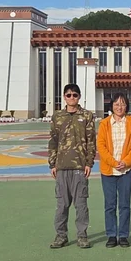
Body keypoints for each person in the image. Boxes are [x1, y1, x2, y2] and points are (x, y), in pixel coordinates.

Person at [48, 83, 96, 249]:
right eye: (68, 95)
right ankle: (61, 235)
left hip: (79, 167)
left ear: (79, 96)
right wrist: (52, 163)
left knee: (81, 204)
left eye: (75, 95)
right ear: (64, 97)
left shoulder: (87, 116)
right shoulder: (57, 117)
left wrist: (89, 163)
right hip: (62, 167)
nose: (71, 97)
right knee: (62, 205)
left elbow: (91, 141)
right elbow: (53, 141)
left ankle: (82, 236)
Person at [96, 92, 131, 248]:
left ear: (126, 106)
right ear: (112, 106)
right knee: (110, 204)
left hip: (126, 171)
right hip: (108, 170)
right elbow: (101, 146)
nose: (119, 107)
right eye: (116, 104)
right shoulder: (104, 124)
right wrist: (114, 162)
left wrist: (126, 162)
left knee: (124, 204)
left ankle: (123, 235)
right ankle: (111, 235)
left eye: (122, 104)